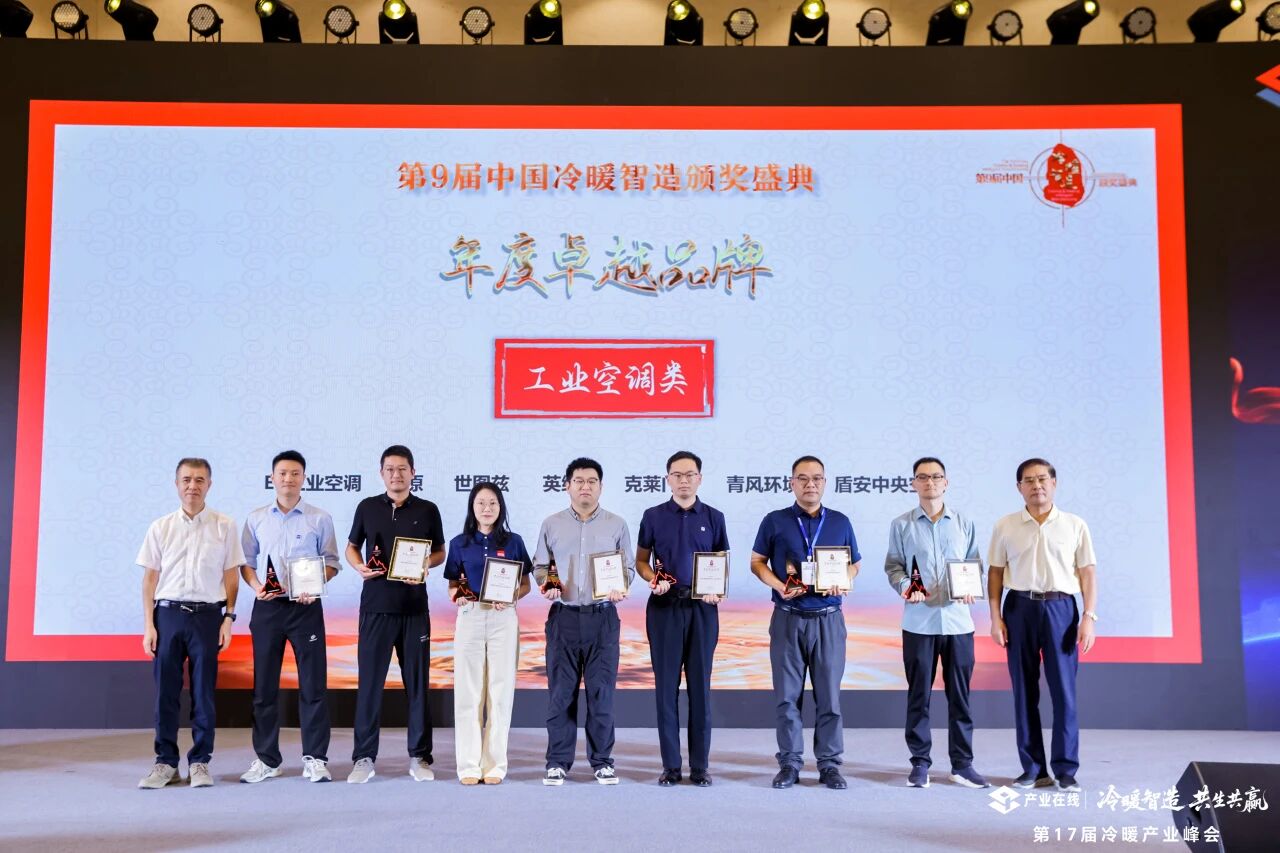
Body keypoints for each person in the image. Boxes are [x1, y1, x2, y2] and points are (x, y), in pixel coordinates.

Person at [988, 458, 1098, 793]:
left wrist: (1088, 616)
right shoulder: (1005, 525)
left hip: (1061, 608)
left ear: (1054, 483)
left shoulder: (1074, 524)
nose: (1036, 486)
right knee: (1024, 691)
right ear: (1018, 487)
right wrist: (995, 617)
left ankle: (1065, 769)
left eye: (1042, 479)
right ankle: (1033, 769)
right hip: (1019, 608)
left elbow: (1088, 572)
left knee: (1064, 692)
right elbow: (995, 573)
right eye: (1029, 480)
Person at [750, 455, 860, 791]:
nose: (810, 484)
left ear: (825, 482)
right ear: (792, 483)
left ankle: (829, 765)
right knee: (787, 698)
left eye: (816, 478)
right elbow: (757, 562)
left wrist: (844, 579)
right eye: (803, 478)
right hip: (788, 617)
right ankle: (790, 763)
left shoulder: (840, 521)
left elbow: (854, 563)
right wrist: (778, 585)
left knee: (829, 699)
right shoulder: (774, 521)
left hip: (828, 619)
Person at [136, 458, 244, 789]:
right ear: (177, 484)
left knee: (203, 693)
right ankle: (165, 763)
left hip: (208, 617)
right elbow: (149, 579)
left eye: (199, 480)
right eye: (186, 479)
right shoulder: (161, 527)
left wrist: (228, 618)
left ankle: (200, 762)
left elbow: (232, 576)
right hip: (167, 616)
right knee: (166, 694)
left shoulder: (225, 525)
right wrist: (149, 625)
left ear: (209, 484)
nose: (192, 486)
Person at [238, 450, 342, 785]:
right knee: (264, 688)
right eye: (282, 473)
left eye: (295, 473)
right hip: (268, 609)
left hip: (305, 608)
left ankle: (315, 758)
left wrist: (316, 584)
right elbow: (246, 563)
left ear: (304, 478)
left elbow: (331, 563)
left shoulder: (319, 518)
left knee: (313, 685)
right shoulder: (256, 518)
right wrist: (256, 587)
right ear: (272, 478)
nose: (288, 479)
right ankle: (267, 759)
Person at [884, 457, 988, 790]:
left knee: (961, 697)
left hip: (958, 623)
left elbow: (974, 563)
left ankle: (962, 764)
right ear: (913, 483)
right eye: (923, 477)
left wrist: (972, 586)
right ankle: (920, 763)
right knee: (919, 697)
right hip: (919, 623)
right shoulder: (901, 525)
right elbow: (894, 566)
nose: (930, 482)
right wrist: (905, 587)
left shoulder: (963, 522)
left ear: (946, 482)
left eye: (936, 476)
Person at [345, 445, 445, 784]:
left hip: (414, 609)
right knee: (369, 685)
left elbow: (440, 552)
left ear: (413, 473)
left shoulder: (428, 509)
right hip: (375, 608)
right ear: (381, 473)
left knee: (417, 686)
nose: (396, 474)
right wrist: (358, 566)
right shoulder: (367, 507)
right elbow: (351, 546)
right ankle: (363, 757)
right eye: (390, 469)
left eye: (402, 468)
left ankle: (420, 756)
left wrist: (425, 564)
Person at [534, 457, 635, 786]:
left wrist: (620, 586)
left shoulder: (617, 524)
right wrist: (546, 584)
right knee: (560, 694)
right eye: (578, 481)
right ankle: (557, 762)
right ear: (567, 486)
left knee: (601, 694)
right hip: (563, 618)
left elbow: (627, 568)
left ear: (601, 487)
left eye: (592, 481)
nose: (585, 487)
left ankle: (602, 761)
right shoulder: (551, 524)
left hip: (602, 617)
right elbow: (541, 567)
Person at [635, 450, 729, 787]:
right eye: (677, 475)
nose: (684, 480)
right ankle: (671, 766)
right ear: (668, 479)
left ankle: (700, 766)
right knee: (666, 689)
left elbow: (720, 560)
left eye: (690, 475)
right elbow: (642, 560)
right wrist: (652, 579)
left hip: (703, 609)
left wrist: (716, 590)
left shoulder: (714, 517)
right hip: (664, 608)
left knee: (700, 688)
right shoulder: (653, 516)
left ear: (699, 479)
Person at [443, 482, 533, 785]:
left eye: (493, 503)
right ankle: (468, 765)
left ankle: (495, 764)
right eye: (481, 503)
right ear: (472, 507)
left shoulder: (514, 541)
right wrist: (458, 597)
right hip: (470, 617)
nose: (487, 508)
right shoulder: (459, 543)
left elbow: (525, 584)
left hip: (502, 618)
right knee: (467, 693)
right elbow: (453, 586)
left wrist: (510, 597)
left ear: (501, 507)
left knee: (500, 691)